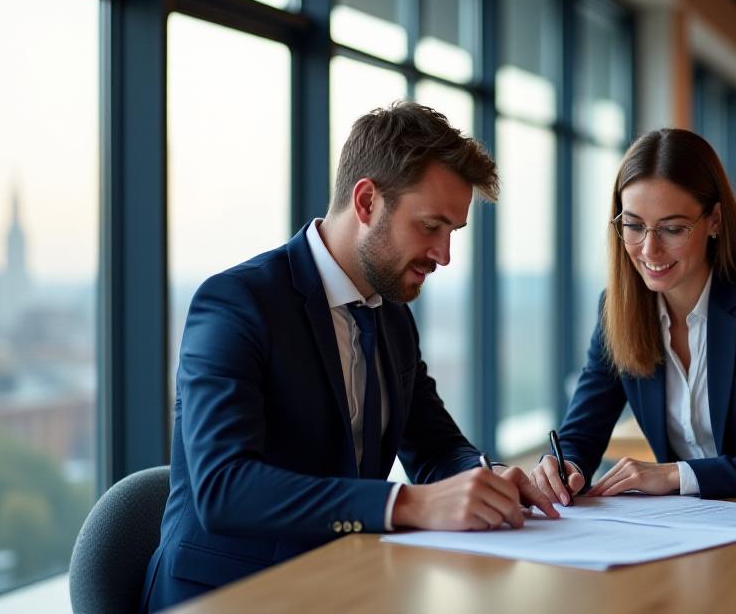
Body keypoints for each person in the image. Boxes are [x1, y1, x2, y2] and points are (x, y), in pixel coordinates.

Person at [142, 102, 558, 612]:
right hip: (230, 595)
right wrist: (406, 503)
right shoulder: (237, 304)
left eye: (452, 232)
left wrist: (481, 479)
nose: (444, 255)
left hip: (348, 584)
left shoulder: (391, 315)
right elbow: (223, 489)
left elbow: (433, 446)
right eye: (430, 226)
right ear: (366, 202)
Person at [531, 128, 736, 505]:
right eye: (633, 225)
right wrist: (561, 467)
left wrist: (676, 474)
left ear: (714, 220)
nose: (649, 249)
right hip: (692, 536)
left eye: (672, 228)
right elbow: (579, 438)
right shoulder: (617, 311)